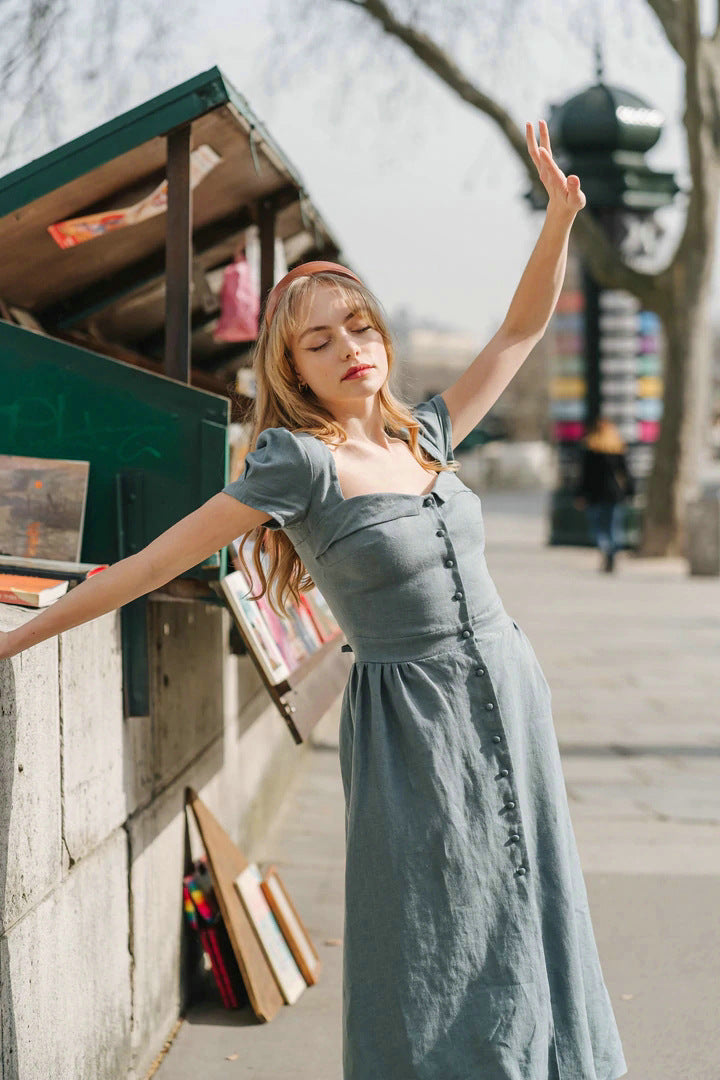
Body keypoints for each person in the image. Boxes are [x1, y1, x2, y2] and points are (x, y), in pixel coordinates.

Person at [0, 122, 627, 1079]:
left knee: (528, 885)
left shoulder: (427, 434)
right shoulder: (296, 463)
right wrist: (12, 638)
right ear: (292, 370)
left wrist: (558, 219)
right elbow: (147, 565)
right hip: (412, 720)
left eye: (360, 327)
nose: (348, 350)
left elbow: (518, 331)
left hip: (506, 685)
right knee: (436, 926)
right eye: (318, 341)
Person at [573, 417, 636, 573]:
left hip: (595, 495)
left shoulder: (590, 448)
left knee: (598, 528)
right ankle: (611, 552)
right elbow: (627, 474)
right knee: (613, 527)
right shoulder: (617, 448)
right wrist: (630, 492)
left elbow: (584, 476)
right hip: (614, 494)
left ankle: (606, 550)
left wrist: (580, 494)